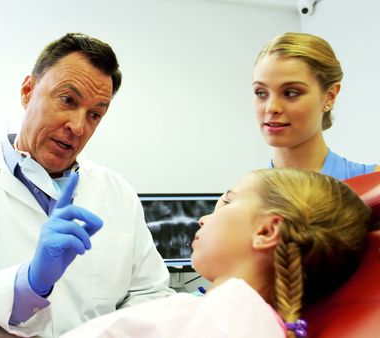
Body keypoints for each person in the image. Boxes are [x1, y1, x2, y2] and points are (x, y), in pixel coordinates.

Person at [0, 32, 174, 337]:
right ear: (27, 90)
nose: (77, 126)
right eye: (67, 100)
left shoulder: (118, 194)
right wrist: (28, 284)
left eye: (94, 114)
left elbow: (150, 296)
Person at [62, 168, 371, 337]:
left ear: (266, 231)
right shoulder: (247, 320)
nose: (203, 218)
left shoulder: (220, 321)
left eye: (227, 201)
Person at [252, 32, 378, 180]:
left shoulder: (373, 187)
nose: (271, 108)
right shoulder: (238, 199)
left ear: (330, 96)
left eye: (291, 93)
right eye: (261, 93)